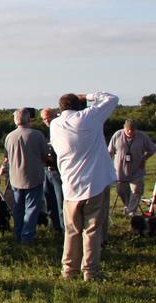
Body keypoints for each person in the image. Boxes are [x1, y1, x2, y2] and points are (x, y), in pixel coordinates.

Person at [51, 91, 119, 280]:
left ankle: (68, 270)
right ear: (77, 105)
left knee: (72, 231)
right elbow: (112, 98)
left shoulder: (55, 125)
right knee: (92, 230)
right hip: (94, 183)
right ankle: (90, 271)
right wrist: (88, 96)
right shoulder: (89, 117)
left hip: (71, 185)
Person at [4, 108, 49, 243]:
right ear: (29, 119)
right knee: (32, 207)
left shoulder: (9, 136)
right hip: (33, 176)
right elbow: (45, 155)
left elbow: (6, 156)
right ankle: (27, 235)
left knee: (18, 207)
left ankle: (18, 232)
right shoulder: (37, 135)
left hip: (15, 177)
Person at [108, 120, 156, 217]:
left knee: (137, 190)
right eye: (128, 130)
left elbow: (152, 150)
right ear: (124, 128)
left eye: (132, 130)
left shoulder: (142, 136)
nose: (130, 132)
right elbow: (110, 152)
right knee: (121, 190)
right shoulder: (117, 135)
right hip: (120, 170)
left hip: (137, 169)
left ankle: (130, 212)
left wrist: (144, 159)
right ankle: (128, 207)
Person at [40, 107, 65, 233]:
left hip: (58, 171)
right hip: (46, 171)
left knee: (60, 201)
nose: (47, 121)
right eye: (44, 119)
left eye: (49, 118)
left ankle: (64, 228)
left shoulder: (61, 130)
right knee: (48, 200)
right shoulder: (43, 133)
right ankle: (54, 227)